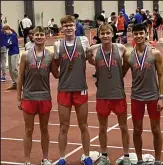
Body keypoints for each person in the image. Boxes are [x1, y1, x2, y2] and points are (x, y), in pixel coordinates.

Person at [86, 23, 131, 165]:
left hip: (118, 94)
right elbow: (88, 59)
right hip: (102, 95)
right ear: (99, 35)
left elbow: (126, 66)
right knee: (102, 127)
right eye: (102, 33)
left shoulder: (121, 48)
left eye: (108, 33)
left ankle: (126, 156)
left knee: (124, 126)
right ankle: (104, 155)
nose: (105, 36)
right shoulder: (93, 49)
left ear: (113, 34)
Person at [122, 23, 163, 165]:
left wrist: (162, 97)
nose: (139, 36)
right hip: (136, 98)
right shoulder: (128, 55)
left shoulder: (155, 53)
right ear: (132, 35)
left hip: (153, 97)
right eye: (136, 34)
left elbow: (161, 75)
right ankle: (139, 160)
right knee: (137, 130)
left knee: (156, 129)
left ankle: (158, 161)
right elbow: (120, 73)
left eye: (141, 33)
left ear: (146, 34)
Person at [54, 15, 93, 165]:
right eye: (66, 25)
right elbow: (55, 64)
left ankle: (87, 156)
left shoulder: (83, 41)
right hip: (64, 89)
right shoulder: (58, 45)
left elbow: (91, 56)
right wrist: (57, 75)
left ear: (75, 26)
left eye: (71, 25)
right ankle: (62, 158)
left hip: (80, 88)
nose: (69, 28)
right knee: (63, 126)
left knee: (83, 125)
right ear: (62, 28)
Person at [17, 26, 59, 165]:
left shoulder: (50, 55)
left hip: (44, 96)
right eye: (37, 35)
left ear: (46, 37)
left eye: (42, 34)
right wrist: (19, 98)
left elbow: (57, 74)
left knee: (44, 129)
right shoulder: (25, 55)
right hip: (29, 97)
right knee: (28, 130)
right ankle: (27, 161)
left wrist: (65, 62)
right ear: (32, 37)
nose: (39, 37)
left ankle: (45, 159)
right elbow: (20, 78)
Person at [2, 25, 19, 90]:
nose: (5, 33)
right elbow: (7, 44)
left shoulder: (14, 35)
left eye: (5, 31)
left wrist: (5, 45)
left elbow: (11, 44)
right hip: (10, 53)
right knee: (10, 69)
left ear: (8, 29)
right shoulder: (7, 36)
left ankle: (20, 83)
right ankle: (15, 83)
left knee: (14, 69)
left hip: (15, 52)